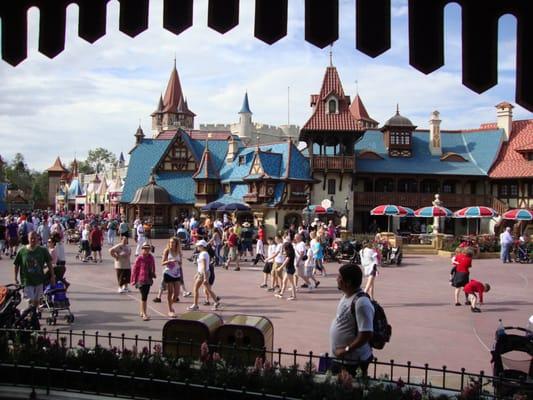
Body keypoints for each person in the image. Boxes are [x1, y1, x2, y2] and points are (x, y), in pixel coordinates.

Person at [330, 263, 374, 377]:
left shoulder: (361, 303)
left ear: (348, 282)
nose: (336, 279)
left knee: (351, 390)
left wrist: (346, 349)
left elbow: (366, 334)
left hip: (353, 361)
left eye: (339, 277)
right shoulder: (347, 296)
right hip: (342, 359)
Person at [14, 231, 55, 307]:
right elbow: (16, 264)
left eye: (34, 238)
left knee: (36, 301)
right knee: (30, 300)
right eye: (31, 238)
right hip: (27, 281)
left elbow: (49, 263)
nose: (33, 240)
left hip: (39, 280)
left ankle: (34, 314)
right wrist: (15, 278)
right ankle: (32, 315)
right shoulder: (22, 251)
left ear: (37, 239)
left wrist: (52, 275)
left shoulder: (43, 250)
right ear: (28, 239)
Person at [187, 240, 221, 311]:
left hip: (203, 274)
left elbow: (204, 266)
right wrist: (198, 273)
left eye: (199, 246)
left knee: (196, 289)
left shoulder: (203, 254)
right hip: (203, 273)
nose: (197, 247)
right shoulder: (205, 253)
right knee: (208, 289)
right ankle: (216, 302)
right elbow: (201, 266)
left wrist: (204, 277)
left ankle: (195, 305)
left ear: (202, 246)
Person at [130, 242, 156, 321]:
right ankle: (144, 313)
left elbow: (153, 266)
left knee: (144, 296)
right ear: (142, 249)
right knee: (144, 296)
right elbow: (135, 269)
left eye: (148, 249)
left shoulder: (151, 257)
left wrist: (153, 273)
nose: (146, 250)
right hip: (141, 279)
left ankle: (142, 311)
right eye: (145, 249)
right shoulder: (139, 258)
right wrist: (133, 279)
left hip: (148, 279)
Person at [160, 237, 183, 318]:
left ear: (176, 244)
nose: (171, 244)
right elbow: (162, 263)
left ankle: (170, 305)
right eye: (170, 242)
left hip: (176, 273)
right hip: (168, 273)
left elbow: (180, 264)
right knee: (170, 292)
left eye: (173, 242)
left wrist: (179, 262)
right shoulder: (167, 251)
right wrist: (169, 261)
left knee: (176, 294)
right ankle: (170, 310)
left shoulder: (179, 252)